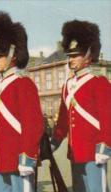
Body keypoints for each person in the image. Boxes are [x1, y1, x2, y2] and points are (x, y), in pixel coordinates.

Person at [0, 11, 43, 191]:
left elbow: (32, 124)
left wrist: (28, 155)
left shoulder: (23, 83)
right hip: (0, 159)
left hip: (19, 160)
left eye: (0, 55)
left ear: (13, 53)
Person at [51, 20, 111, 192]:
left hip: (94, 152)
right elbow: (63, 120)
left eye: (76, 54)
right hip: (75, 153)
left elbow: (107, 119)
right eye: (69, 55)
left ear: (89, 54)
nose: (71, 59)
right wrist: (54, 142)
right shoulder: (67, 86)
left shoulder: (100, 83)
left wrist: (104, 147)